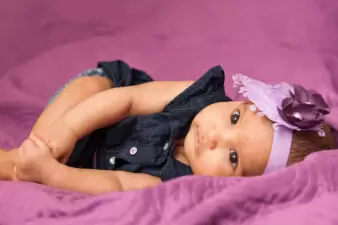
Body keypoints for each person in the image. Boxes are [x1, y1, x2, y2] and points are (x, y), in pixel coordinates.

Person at [0, 60, 336, 195]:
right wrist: (67, 131)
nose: (216, 136)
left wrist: (53, 176)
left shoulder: (180, 186)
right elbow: (127, 99)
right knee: (89, 91)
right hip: (101, 105)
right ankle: (22, 159)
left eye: (233, 158)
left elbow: (116, 183)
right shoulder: (200, 100)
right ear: (240, 103)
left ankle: (24, 165)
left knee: (48, 169)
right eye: (234, 118)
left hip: (95, 163)